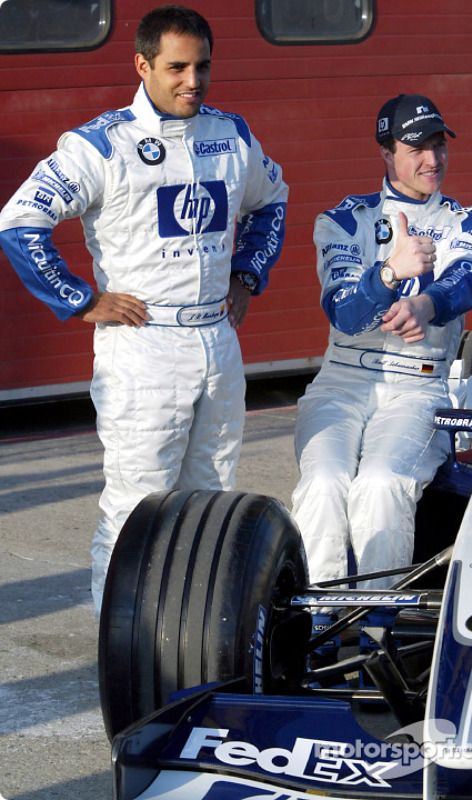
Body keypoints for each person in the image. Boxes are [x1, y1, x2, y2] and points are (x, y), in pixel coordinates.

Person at [0, 5, 288, 614]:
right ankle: (124, 652)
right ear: (142, 65)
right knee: (137, 508)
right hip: (143, 345)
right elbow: (20, 221)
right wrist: (81, 299)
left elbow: (273, 199)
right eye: (177, 67)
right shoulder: (100, 144)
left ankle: (194, 639)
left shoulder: (231, 136)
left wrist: (247, 273)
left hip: (216, 339)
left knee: (210, 503)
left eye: (203, 67)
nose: (193, 81)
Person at [291, 93, 472, 597]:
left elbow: (467, 280)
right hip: (341, 383)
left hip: (417, 387)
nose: (433, 159)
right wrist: (389, 273)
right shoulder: (343, 221)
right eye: (416, 147)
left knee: (381, 484)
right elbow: (344, 311)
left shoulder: (470, 223)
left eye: (438, 144)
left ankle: (374, 629)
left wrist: (423, 304)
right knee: (323, 488)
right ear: (386, 153)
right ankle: (320, 624)